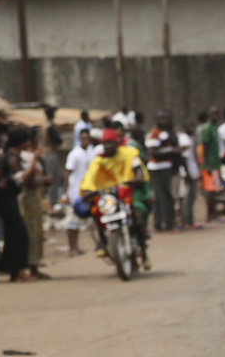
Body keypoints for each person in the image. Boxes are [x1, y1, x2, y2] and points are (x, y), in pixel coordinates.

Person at [79, 129, 152, 270]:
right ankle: (102, 242)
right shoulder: (99, 160)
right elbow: (89, 177)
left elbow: (138, 169)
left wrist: (137, 179)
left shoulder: (129, 153)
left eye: (111, 143)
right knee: (97, 213)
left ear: (116, 143)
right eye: (106, 144)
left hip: (126, 192)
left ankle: (143, 251)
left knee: (137, 214)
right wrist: (87, 190)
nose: (109, 146)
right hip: (108, 196)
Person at [0, 131, 35, 283]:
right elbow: (21, 178)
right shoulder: (11, 157)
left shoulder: (9, 155)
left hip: (8, 200)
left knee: (12, 235)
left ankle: (14, 271)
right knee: (19, 235)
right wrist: (35, 159)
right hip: (7, 201)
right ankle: (18, 270)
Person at [17, 129, 52, 279]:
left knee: (37, 232)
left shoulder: (33, 157)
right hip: (28, 200)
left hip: (35, 199)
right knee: (31, 232)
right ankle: (30, 266)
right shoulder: (26, 157)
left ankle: (34, 265)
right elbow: (28, 180)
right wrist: (44, 180)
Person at [145, 111, 179, 233]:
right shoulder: (155, 134)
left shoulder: (164, 133)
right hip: (158, 169)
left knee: (161, 197)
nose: (164, 121)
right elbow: (153, 152)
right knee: (164, 197)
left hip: (164, 168)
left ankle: (160, 224)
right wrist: (173, 151)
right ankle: (166, 224)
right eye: (161, 119)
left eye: (166, 118)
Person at [63, 129, 96, 255]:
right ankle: (72, 247)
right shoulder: (74, 154)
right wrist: (66, 194)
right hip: (74, 192)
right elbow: (67, 174)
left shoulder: (91, 152)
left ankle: (76, 247)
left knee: (79, 221)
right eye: (83, 139)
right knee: (72, 222)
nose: (85, 141)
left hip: (87, 192)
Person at [197, 107, 224, 224]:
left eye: (217, 114)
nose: (216, 116)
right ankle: (209, 216)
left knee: (214, 190)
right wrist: (207, 164)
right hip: (209, 165)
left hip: (215, 164)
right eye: (213, 114)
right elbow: (205, 146)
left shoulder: (215, 128)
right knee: (209, 191)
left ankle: (214, 214)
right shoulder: (207, 128)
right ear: (209, 115)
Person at [178, 119, 201, 230]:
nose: (191, 129)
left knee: (192, 198)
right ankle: (185, 221)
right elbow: (184, 158)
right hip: (187, 173)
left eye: (192, 126)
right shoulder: (184, 140)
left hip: (193, 171)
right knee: (187, 198)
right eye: (189, 126)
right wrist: (187, 174)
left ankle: (190, 220)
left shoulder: (190, 139)